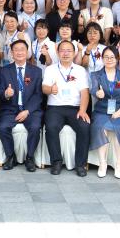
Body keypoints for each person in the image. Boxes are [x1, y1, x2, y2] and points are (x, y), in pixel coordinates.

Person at [42, 40, 91, 176]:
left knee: (84, 126)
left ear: (74, 53)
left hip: (75, 108)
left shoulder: (80, 70)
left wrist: (82, 110)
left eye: (69, 50)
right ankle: (56, 162)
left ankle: (80, 164)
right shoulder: (50, 69)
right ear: (58, 53)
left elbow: (85, 92)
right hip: (55, 107)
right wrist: (51, 89)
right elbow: (44, 88)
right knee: (51, 127)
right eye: (62, 50)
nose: (65, 53)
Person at [88, 48, 120, 179]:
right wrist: (97, 93)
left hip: (119, 110)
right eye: (106, 57)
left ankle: (119, 164)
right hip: (102, 110)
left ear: (117, 59)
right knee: (100, 127)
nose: (109, 60)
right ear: (102, 59)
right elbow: (93, 89)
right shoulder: (96, 75)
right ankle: (102, 163)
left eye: (112, 57)